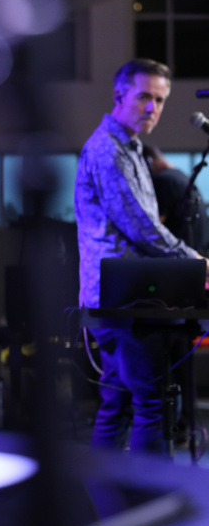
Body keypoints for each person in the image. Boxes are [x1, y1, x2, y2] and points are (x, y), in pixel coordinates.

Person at [74, 59, 208, 454]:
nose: (153, 108)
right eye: (145, 97)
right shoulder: (109, 150)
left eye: (160, 100)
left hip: (121, 298)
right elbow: (142, 228)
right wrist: (198, 263)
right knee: (152, 403)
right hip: (121, 301)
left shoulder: (128, 148)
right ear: (119, 95)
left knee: (117, 404)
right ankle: (146, 491)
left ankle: (104, 489)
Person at [143, 144, 208, 256]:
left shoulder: (163, 180)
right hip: (199, 253)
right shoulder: (180, 177)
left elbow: (153, 228)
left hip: (183, 257)